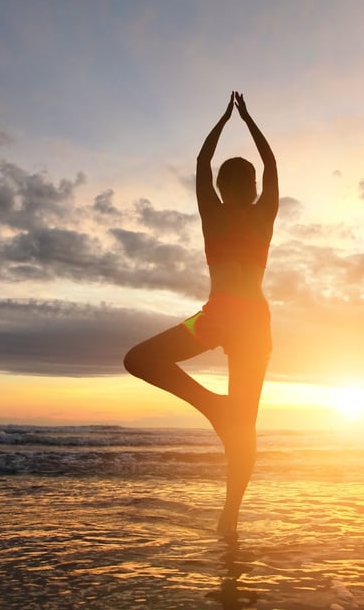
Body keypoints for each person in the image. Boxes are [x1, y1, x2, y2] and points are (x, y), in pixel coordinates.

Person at [124, 91, 278, 539]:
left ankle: (215, 416)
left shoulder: (213, 211)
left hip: (219, 315)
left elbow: (201, 163)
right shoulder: (264, 213)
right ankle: (229, 515)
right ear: (247, 188)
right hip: (251, 319)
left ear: (228, 189)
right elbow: (269, 165)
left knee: (140, 359)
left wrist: (226, 119)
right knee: (242, 427)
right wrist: (247, 120)